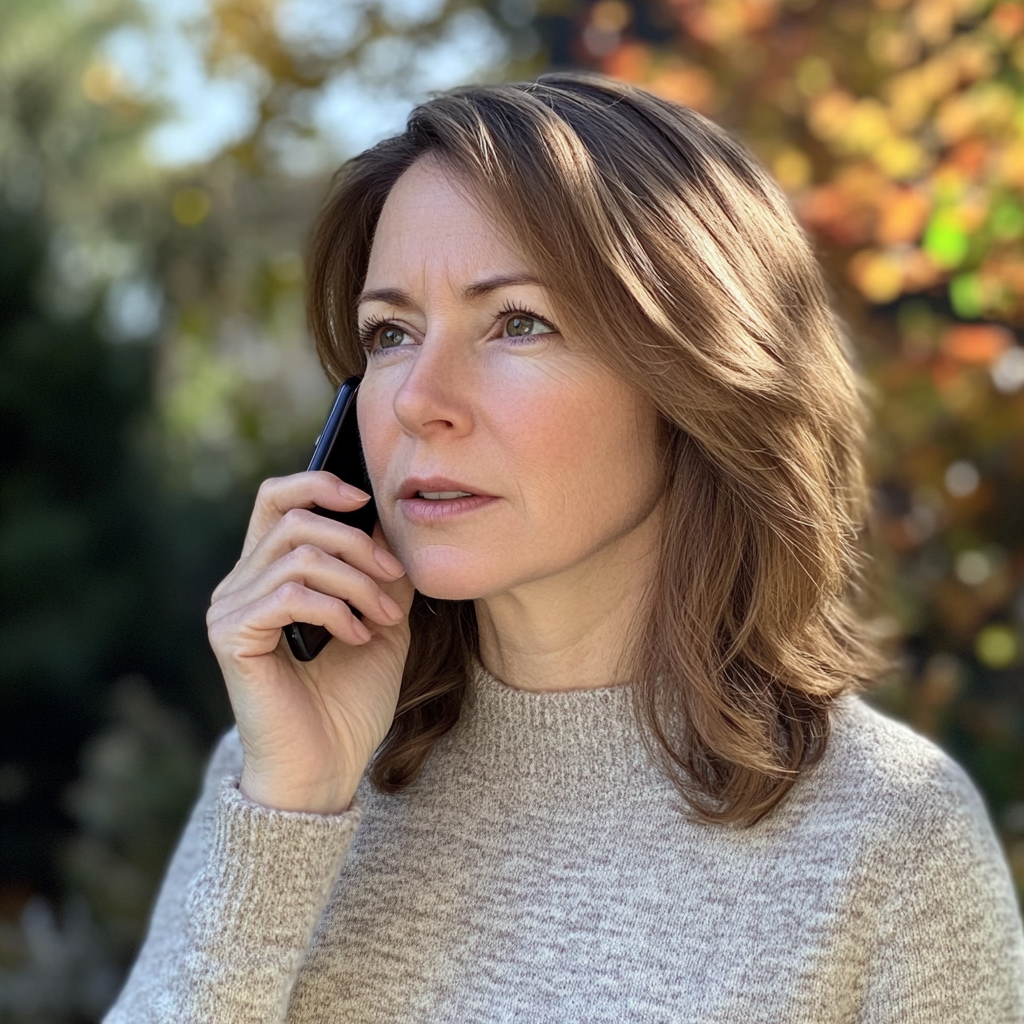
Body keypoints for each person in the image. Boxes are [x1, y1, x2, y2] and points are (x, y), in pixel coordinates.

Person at [103, 71, 1024, 1023]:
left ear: (694, 375)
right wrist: (291, 806)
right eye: (390, 333)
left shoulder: (888, 837)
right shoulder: (284, 786)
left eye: (519, 323)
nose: (420, 399)